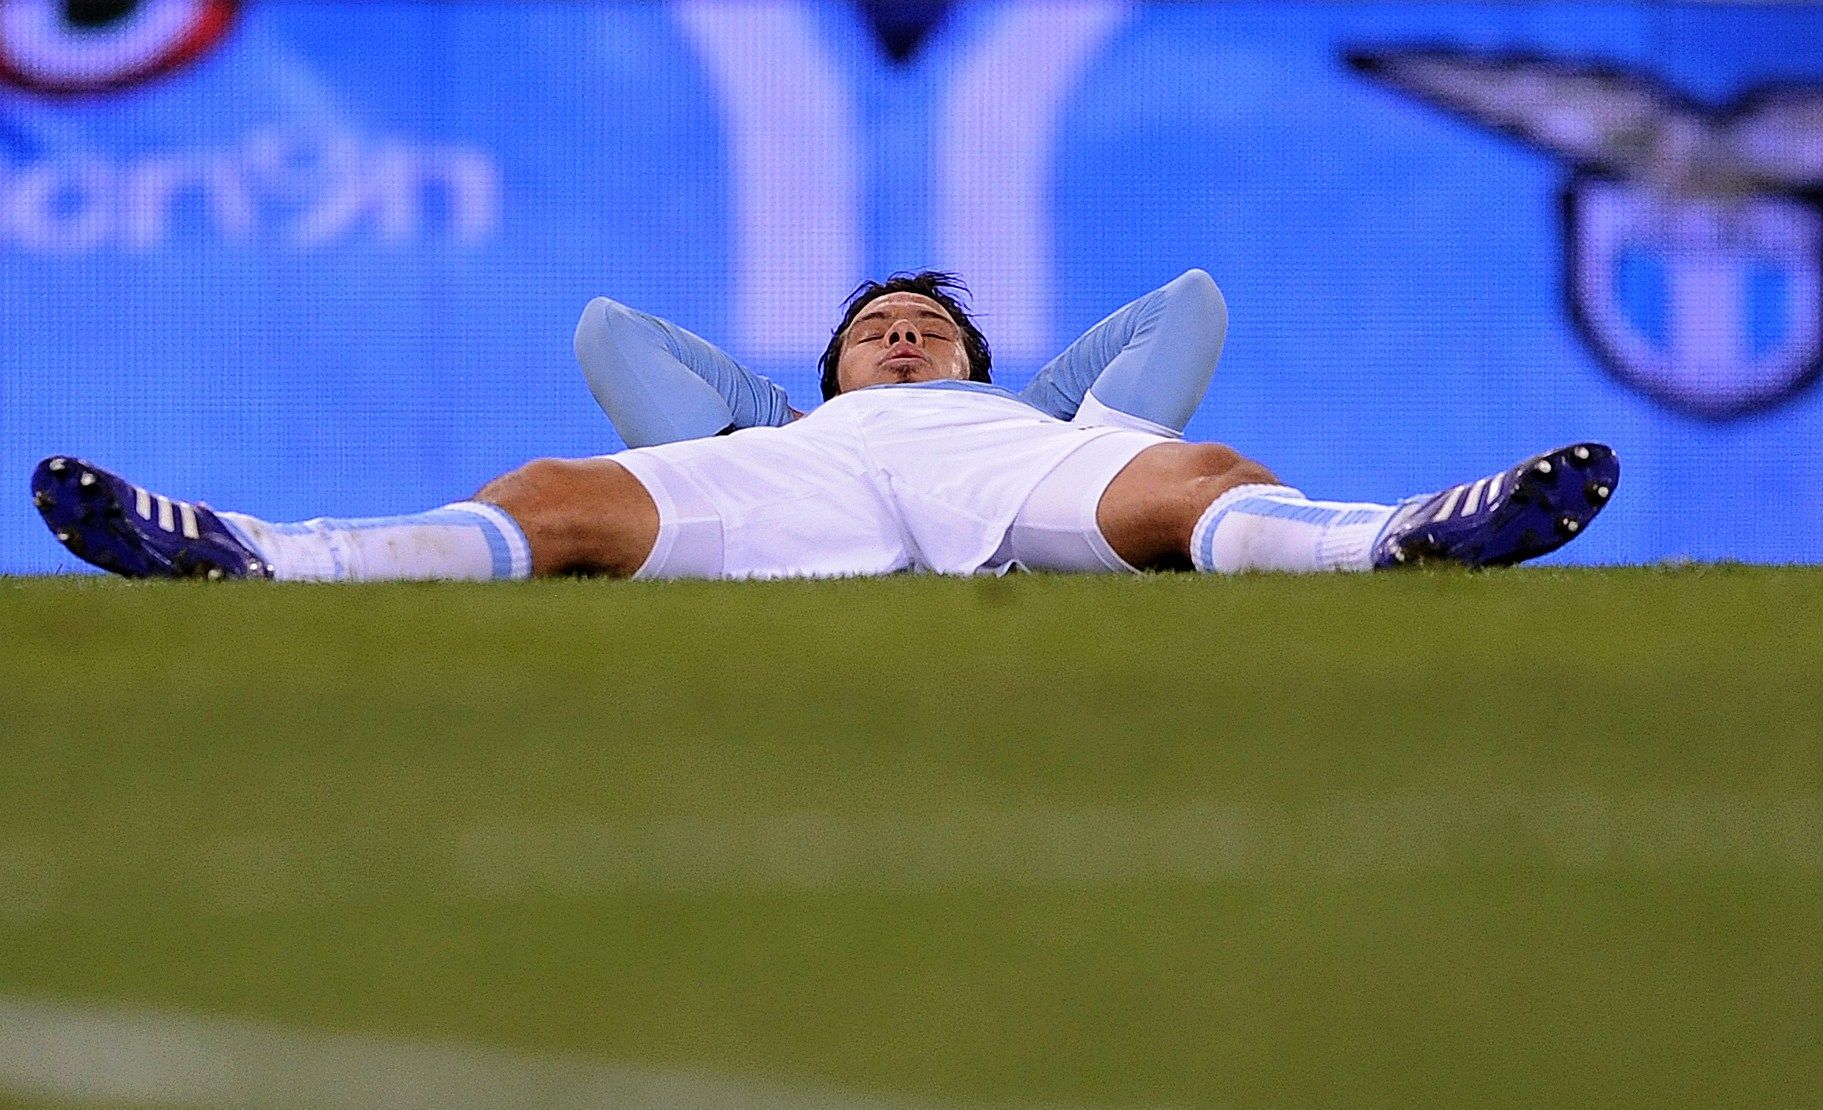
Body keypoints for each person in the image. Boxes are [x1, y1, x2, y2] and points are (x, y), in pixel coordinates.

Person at [31, 270, 1617, 583]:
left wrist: (1023, 397)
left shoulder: (1038, 410)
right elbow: (609, 334)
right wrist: (775, 412)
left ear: (978, 356)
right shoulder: (764, 432)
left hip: (1011, 464)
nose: (905, 331)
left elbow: (1190, 304)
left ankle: (1403, 535)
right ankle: (265, 554)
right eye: (878, 326)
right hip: (802, 482)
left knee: (1191, 483)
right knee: (555, 494)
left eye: (930, 323)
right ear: (833, 364)